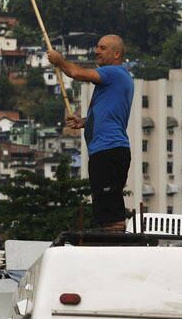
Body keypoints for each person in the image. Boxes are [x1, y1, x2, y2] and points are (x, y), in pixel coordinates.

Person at [47, 34, 133, 232]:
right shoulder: (114, 80)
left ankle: (114, 245)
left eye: (102, 48)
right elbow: (109, 114)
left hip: (108, 150)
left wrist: (59, 61)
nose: (96, 51)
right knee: (105, 208)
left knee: (111, 212)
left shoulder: (114, 73)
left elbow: (76, 73)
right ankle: (109, 240)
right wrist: (84, 122)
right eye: (97, 46)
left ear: (117, 53)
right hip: (105, 150)